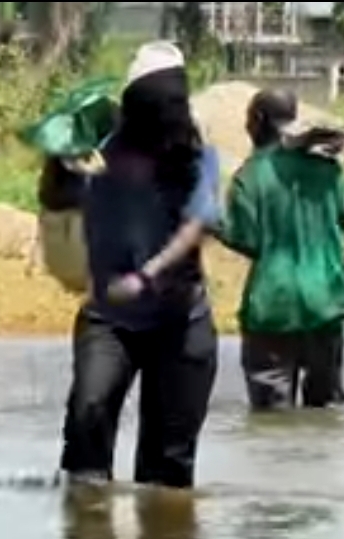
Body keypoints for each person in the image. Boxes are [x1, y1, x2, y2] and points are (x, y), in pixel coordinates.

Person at [58, 41, 223, 489]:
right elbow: (62, 205)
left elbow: (197, 226)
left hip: (181, 321)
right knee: (87, 426)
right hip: (110, 319)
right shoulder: (103, 152)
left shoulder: (197, 159)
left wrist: (146, 274)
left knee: (167, 471)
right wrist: (59, 168)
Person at [219, 88, 344, 411]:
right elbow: (343, 219)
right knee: (326, 410)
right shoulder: (328, 168)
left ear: (259, 121)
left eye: (248, 120)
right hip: (326, 298)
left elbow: (247, 240)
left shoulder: (249, 176)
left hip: (273, 304)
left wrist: (213, 225)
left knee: (271, 415)